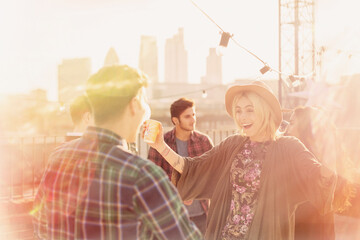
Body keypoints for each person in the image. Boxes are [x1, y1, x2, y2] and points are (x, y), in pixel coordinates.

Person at [143, 80, 337, 240]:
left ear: (265, 110)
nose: (242, 117)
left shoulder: (289, 147)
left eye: (250, 109)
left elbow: (320, 177)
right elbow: (191, 167)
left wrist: (333, 147)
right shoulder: (232, 145)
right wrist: (160, 145)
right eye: (239, 110)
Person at [32, 65, 202, 239]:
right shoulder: (142, 176)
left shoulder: (58, 158)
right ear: (134, 105)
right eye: (144, 101)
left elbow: (41, 227)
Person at [286, 106, 358, 240]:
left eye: (291, 123)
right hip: (315, 228)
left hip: (309, 230)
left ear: (305, 128)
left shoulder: (311, 162)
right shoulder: (302, 156)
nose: (285, 128)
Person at [148, 97, 213, 235]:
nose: (193, 119)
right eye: (188, 116)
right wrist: (180, 193)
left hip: (201, 215)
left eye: (194, 114)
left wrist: (194, 191)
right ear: (175, 120)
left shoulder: (204, 141)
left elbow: (213, 176)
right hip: (172, 216)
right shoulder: (161, 143)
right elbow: (153, 179)